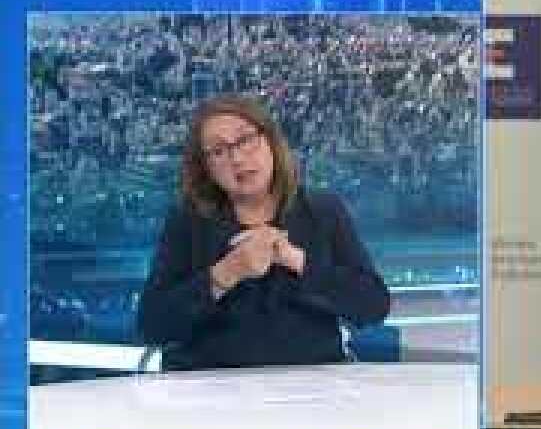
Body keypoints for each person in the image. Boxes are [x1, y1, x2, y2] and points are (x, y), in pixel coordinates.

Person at [137, 95, 391, 370]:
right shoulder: (188, 220)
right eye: (218, 151)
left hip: (312, 382)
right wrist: (226, 273)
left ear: (271, 142)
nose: (237, 158)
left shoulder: (322, 211)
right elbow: (152, 326)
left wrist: (296, 261)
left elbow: (373, 306)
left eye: (245, 140)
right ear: (206, 168)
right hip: (211, 385)